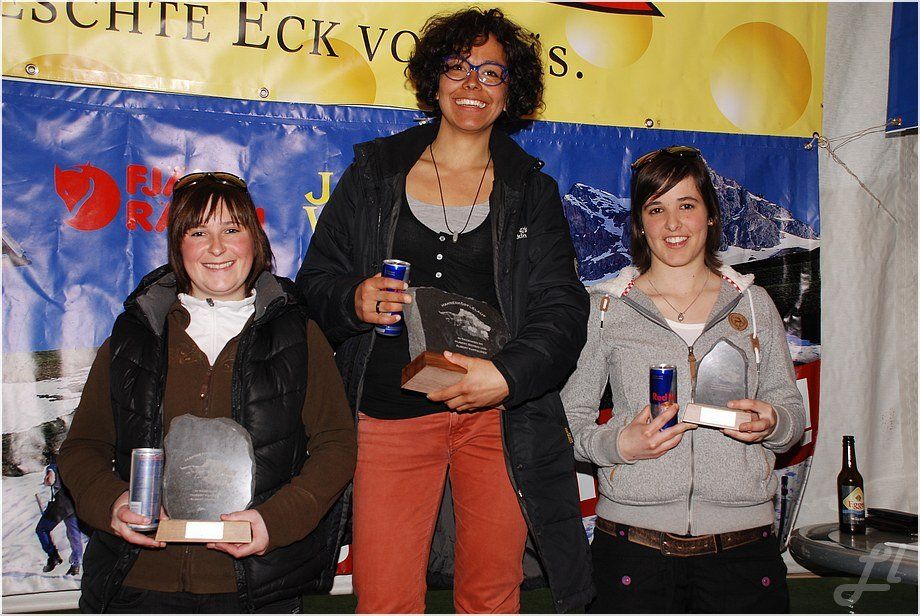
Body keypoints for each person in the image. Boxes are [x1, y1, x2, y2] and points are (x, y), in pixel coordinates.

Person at [296, 7, 593, 613]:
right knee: (384, 599)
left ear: (511, 91)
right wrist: (353, 299)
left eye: (491, 72)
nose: (473, 84)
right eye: (457, 67)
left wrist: (506, 376)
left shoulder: (531, 191)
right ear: (434, 80)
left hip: (497, 419)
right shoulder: (373, 174)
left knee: (491, 597)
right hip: (389, 414)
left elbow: (562, 309)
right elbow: (315, 283)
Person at [58, 171, 357, 613]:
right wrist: (111, 502)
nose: (217, 248)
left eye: (231, 230)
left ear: (254, 240)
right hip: (136, 583)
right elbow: (82, 446)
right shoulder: (134, 335)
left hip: (257, 589)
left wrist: (276, 521)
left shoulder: (299, 335)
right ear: (178, 246)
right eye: (198, 232)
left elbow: (337, 445)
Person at [561, 146, 806, 613]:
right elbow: (567, 423)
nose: (673, 224)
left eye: (687, 205)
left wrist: (773, 422)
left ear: (711, 216)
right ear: (639, 224)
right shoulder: (605, 308)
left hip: (742, 547)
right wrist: (617, 445)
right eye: (656, 209)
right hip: (633, 546)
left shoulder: (754, 305)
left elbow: (790, 413)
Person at [35, 459, 84, 576]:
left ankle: (53, 556)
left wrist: (49, 474)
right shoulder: (77, 463)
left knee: (41, 529)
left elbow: (50, 479)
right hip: (74, 504)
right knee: (74, 535)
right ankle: (76, 565)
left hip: (60, 505)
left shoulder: (55, 464)